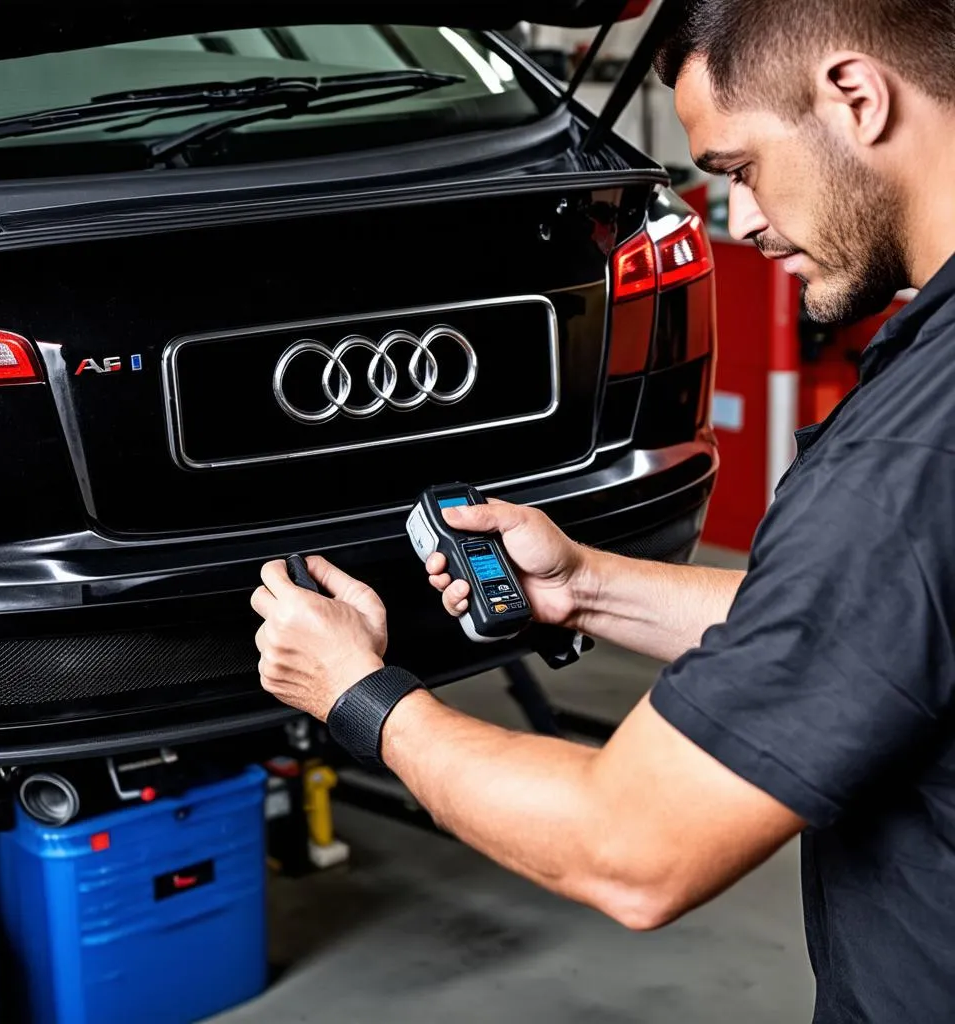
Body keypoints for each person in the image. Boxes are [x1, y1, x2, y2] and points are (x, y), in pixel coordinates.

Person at [250, 1, 955, 1019]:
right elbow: (878, 630)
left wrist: (359, 693)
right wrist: (585, 585)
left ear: (854, 97)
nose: (744, 222)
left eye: (739, 169)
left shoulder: (903, 454)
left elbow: (629, 850)